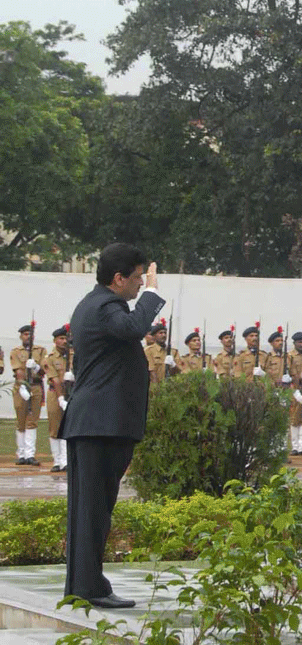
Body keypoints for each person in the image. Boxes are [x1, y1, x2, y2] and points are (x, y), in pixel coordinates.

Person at [59, 244, 166, 608]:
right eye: (137, 278)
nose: (140, 284)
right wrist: (152, 292)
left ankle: (87, 584)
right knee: (92, 510)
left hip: (99, 423)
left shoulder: (99, 305)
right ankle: (87, 588)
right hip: (100, 424)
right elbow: (137, 327)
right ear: (118, 278)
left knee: (93, 509)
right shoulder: (106, 308)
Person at [10, 323, 47, 466]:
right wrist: (22, 386)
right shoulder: (16, 351)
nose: (28, 337)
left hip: (36, 386)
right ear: (21, 336)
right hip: (21, 387)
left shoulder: (41, 350)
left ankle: (30, 454)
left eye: (30, 334)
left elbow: (44, 370)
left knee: (32, 421)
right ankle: (21, 454)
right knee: (21, 420)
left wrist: (37, 367)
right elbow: (18, 370)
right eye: (25, 334)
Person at [44, 326, 73, 471]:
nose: (64, 341)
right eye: (61, 338)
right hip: (55, 394)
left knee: (68, 427)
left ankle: (66, 460)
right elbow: (55, 381)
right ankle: (57, 461)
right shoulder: (50, 358)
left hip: (72, 393)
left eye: (66, 338)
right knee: (55, 427)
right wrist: (61, 398)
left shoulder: (74, 355)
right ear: (55, 341)